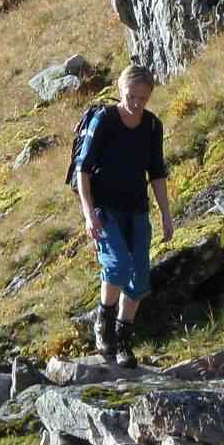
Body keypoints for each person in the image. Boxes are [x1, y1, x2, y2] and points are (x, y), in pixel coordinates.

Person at [75, 64, 174, 369]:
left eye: (143, 98)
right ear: (121, 90)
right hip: (105, 209)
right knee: (117, 265)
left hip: (137, 209)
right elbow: (83, 169)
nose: (136, 103)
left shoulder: (153, 126)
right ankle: (103, 320)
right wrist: (89, 214)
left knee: (140, 277)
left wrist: (166, 215)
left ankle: (123, 340)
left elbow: (156, 173)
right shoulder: (104, 120)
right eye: (132, 96)